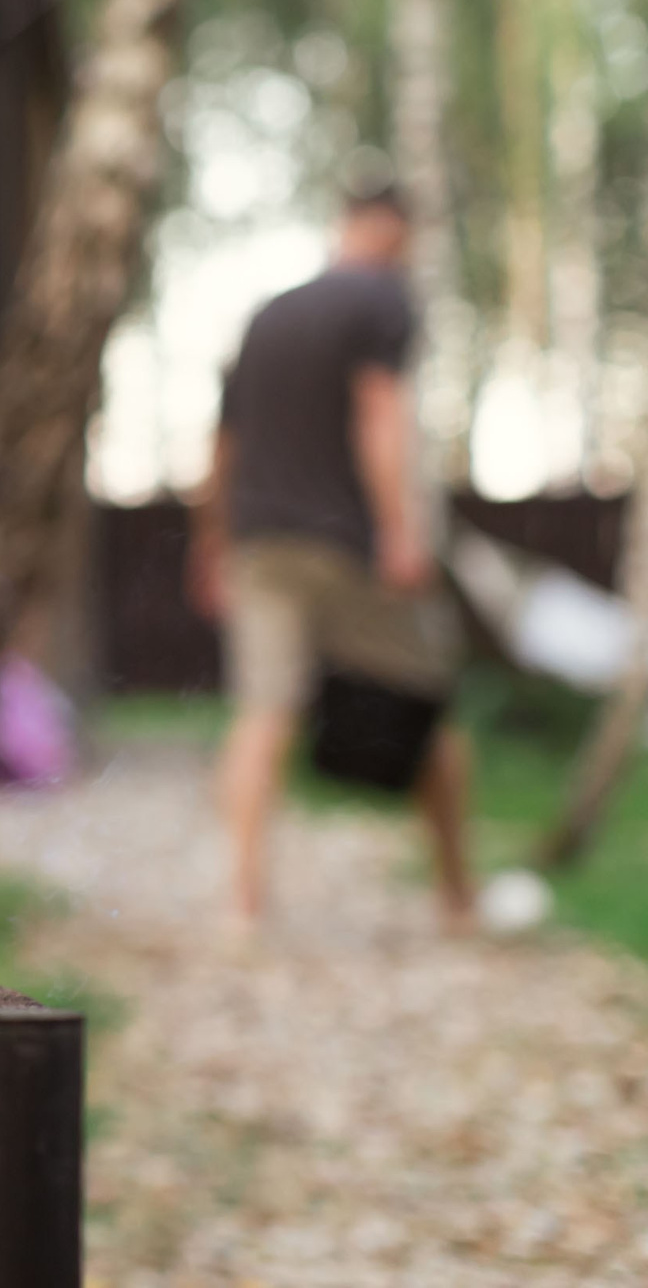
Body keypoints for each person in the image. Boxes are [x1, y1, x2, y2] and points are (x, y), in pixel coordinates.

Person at [190, 180, 473, 937]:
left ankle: (242, 907)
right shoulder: (383, 300)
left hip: (259, 541)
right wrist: (401, 530)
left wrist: (211, 540)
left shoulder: (268, 315)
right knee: (427, 701)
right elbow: (380, 413)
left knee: (262, 712)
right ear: (396, 233)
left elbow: (223, 443)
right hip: (348, 541)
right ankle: (457, 900)